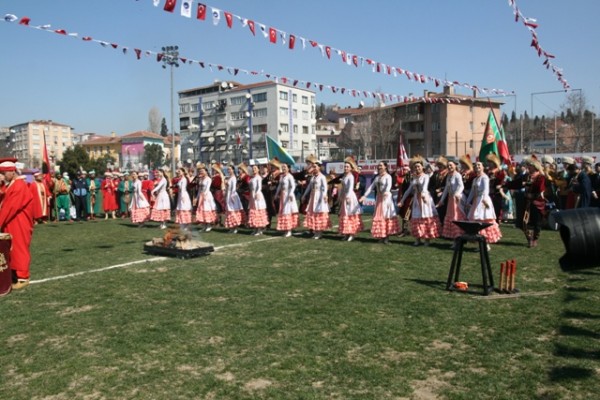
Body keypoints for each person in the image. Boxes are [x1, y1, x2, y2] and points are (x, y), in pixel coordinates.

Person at [0, 158, 34, 290]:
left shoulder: (19, 186)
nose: (2, 176)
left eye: (3, 173)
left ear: (12, 172)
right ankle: (14, 275)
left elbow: (9, 208)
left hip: (19, 223)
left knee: (19, 248)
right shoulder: (11, 185)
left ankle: (23, 277)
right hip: (11, 222)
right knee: (11, 249)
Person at [399, 156, 441, 246]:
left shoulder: (425, 176)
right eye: (415, 167)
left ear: (422, 167)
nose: (417, 168)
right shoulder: (414, 178)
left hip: (425, 199)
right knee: (416, 217)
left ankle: (427, 239)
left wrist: (423, 194)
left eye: (418, 166)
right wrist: (402, 200)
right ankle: (417, 239)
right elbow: (408, 190)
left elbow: (425, 186)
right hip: (416, 200)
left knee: (426, 217)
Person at [360, 161, 399, 244]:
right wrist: (364, 196)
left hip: (386, 198)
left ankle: (386, 238)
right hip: (379, 199)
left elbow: (388, 186)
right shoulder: (377, 177)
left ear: (385, 167)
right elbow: (371, 187)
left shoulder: (388, 176)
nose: (379, 167)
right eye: (378, 165)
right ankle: (381, 236)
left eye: (381, 165)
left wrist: (386, 192)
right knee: (379, 217)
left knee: (386, 217)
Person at [466, 161, 502, 249]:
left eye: (479, 165)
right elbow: (472, 191)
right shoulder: (475, 179)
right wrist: (468, 201)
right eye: (475, 165)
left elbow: (486, 190)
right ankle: (481, 243)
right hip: (476, 200)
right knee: (476, 220)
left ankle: (486, 244)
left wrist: (484, 200)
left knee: (483, 220)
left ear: (483, 167)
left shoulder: (485, 177)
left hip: (483, 200)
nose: (477, 166)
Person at [437, 160, 466, 241]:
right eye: (448, 166)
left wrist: (457, 193)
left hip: (456, 198)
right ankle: (453, 236)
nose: (449, 167)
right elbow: (446, 189)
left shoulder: (457, 175)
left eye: (451, 165)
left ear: (455, 166)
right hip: (450, 199)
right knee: (450, 216)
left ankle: (458, 235)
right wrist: (441, 200)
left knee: (456, 216)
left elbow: (461, 186)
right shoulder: (449, 176)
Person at [302, 159, 331, 239]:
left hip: (319, 197)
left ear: (319, 167)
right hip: (313, 196)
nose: (314, 168)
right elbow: (309, 187)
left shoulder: (322, 177)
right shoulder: (313, 177)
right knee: (313, 213)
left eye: (315, 167)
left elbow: (325, 187)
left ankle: (319, 232)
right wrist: (304, 195)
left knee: (319, 213)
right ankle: (315, 231)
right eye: (313, 167)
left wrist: (324, 195)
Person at [522, 158, 546, 248]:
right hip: (527, 202)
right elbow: (518, 183)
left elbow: (540, 189)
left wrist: (528, 184)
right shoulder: (527, 176)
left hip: (537, 203)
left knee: (537, 222)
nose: (528, 167)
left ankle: (534, 239)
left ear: (535, 166)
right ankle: (529, 239)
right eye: (528, 165)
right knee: (525, 222)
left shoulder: (541, 177)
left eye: (530, 165)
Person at [338, 159, 363, 241]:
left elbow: (350, 188)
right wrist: (341, 195)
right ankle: (346, 233)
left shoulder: (351, 176)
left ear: (351, 168)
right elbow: (343, 188)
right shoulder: (344, 176)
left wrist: (348, 197)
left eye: (347, 167)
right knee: (345, 214)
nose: (345, 168)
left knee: (350, 214)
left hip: (350, 197)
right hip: (345, 196)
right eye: (345, 166)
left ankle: (352, 234)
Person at [274, 161, 299, 237]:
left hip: (288, 196)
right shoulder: (281, 176)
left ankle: (289, 230)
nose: (283, 168)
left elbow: (293, 185)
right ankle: (286, 229)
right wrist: (276, 194)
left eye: (285, 167)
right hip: (283, 195)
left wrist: (290, 193)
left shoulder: (290, 176)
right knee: (283, 211)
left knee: (287, 211)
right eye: (283, 167)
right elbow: (279, 186)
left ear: (288, 168)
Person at [248, 164, 269, 235]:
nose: (254, 170)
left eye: (255, 168)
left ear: (258, 170)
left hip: (257, 195)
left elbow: (259, 187)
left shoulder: (258, 177)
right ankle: (255, 228)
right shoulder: (252, 178)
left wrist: (257, 193)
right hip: (252, 195)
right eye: (253, 169)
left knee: (258, 210)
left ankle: (259, 229)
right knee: (253, 211)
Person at [195, 165, 218, 231]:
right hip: (201, 195)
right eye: (200, 171)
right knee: (202, 210)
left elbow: (207, 188)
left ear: (206, 171)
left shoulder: (208, 179)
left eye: (202, 171)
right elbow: (200, 189)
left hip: (207, 196)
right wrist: (197, 197)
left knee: (207, 209)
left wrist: (204, 195)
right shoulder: (201, 179)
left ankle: (209, 225)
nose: (201, 172)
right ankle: (204, 226)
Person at [224, 165, 245, 234]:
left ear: (233, 170)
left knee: (233, 210)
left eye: (230, 169)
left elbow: (233, 188)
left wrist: (232, 196)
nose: (229, 170)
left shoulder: (233, 178)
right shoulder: (229, 177)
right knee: (229, 211)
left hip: (232, 195)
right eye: (228, 169)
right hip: (229, 194)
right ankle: (232, 227)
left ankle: (235, 227)